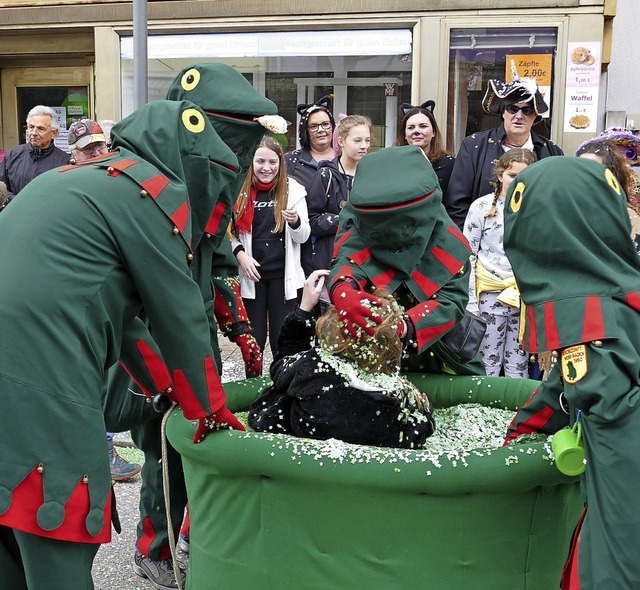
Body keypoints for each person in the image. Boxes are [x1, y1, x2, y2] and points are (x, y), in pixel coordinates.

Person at [0, 99, 244, 589]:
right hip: (42, 369)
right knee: (58, 521)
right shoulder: (144, 200)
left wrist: (167, 389)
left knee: (9, 540)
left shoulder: (70, 181)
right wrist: (210, 407)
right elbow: (179, 317)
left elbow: (125, 322)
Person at [99, 63, 282, 589]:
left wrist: (242, 330)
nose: (240, 162)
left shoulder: (209, 194)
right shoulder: (145, 188)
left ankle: (186, 534)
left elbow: (218, 265)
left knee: (193, 448)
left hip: (194, 337)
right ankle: (153, 548)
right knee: (161, 444)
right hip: (150, 342)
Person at [502, 156, 640, 589]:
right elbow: (564, 386)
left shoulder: (588, 317)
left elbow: (606, 405)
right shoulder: (618, 288)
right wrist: (522, 433)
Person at [328, 144, 486, 377]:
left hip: (438, 354)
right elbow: (348, 257)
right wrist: (344, 289)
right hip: (365, 346)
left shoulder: (449, 242)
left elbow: (451, 303)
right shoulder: (356, 217)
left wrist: (405, 326)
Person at [249, 269, 436, 448]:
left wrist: (304, 311)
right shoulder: (401, 402)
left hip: (296, 440)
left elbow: (282, 366)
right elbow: (421, 428)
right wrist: (425, 412)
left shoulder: (313, 369)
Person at [67, 118, 143, 483]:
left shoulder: (119, 182)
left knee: (108, 374)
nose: (97, 153)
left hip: (112, 299)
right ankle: (98, 455)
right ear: (74, 156)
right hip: (76, 300)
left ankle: (104, 448)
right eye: (88, 150)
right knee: (85, 380)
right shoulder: (66, 187)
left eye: (101, 146)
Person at [444, 78, 563, 229]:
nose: (519, 116)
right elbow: (457, 205)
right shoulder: (474, 145)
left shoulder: (552, 152)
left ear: (535, 116)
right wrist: (468, 245)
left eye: (527, 110)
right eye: (513, 109)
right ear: (503, 112)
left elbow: (558, 204)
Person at [232, 135, 310, 355]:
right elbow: (228, 234)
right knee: (253, 341)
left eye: (272, 162)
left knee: (280, 340)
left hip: (283, 278)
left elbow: (303, 236)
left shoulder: (293, 190)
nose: (266, 168)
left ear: (280, 163)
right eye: (260, 162)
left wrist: (294, 222)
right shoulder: (239, 190)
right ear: (252, 162)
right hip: (252, 276)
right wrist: (241, 256)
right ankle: (252, 383)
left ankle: (281, 385)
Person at [463, 148, 536, 378]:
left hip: (523, 294)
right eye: (512, 175)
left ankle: (519, 412)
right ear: (500, 175)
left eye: (524, 177)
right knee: (487, 361)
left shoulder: (536, 208)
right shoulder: (482, 207)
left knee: (519, 364)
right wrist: (471, 301)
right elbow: (469, 255)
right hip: (489, 294)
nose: (517, 181)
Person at [302, 114, 371, 277]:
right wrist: (346, 220)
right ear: (341, 141)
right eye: (357, 140)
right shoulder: (326, 175)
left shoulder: (372, 174)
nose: (364, 146)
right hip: (330, 259)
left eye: (367, 140)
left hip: (365, 260)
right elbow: (311, 220)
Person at [0, 105, 70, 202]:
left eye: (41, 128)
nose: (34, 133)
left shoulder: (64, 161)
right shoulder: (13, 155)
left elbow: (65, 195)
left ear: (54, 133)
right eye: (31, 127)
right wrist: (17, 201)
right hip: (14, 213)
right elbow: (1, 187)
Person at [394, 100, 455, 195]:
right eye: (411, 127)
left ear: (434, 132)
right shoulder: (394, 163)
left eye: (423, 126)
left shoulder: (448, 165)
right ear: (405, 134)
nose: (416, 131)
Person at [285, 95, 336, 190]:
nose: (321, 130)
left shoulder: (344, 157)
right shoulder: (291, 160)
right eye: (313, 126)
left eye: (325, 124)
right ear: (305, 131)